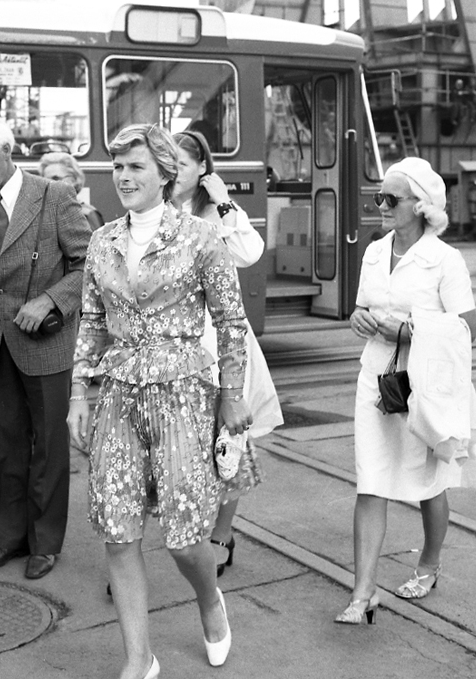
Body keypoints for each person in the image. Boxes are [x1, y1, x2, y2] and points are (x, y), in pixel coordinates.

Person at [67, 124, 251, 678]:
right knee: (118, 531)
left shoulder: (200, 237)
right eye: (117, 167)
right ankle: (138, 659)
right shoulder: (102, 240)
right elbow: (92, 321)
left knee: (184, 536)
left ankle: (209, 600)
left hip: (183, 394)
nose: (123, 177)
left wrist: (232, 395)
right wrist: (78, 392)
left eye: (135, 167)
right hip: (119, 393)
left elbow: (231, 322)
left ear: (165, 173)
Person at [335, 157, 476, 626]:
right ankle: (363, 592)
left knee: (428, 483)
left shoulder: (445, 259)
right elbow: (363, 307)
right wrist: (359, 319)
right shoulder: (374, 252)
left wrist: (409, 331)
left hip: (426, 385)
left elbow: (468, 328)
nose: (379, 204)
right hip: (377, 380)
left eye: (389, 198)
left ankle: (429, 564)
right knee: (371, 481)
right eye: (377, 196)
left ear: (420, 206)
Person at [0, 117, 91, 581]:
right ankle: (7, 538)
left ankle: (45, 542)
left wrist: (50, 299)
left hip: (46, 344)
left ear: (7, 152)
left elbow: (89, 264)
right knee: (7, 446)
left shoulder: (53, 196)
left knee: (49, 447)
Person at [173, 130, 282, 577]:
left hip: (219, 345)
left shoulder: (214, 213)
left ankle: (221, 535)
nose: (173, 171)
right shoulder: (158, 209)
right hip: (175, 345)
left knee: (227, 444)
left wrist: (223, 200)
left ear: (202, 168)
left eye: (182, 163)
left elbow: (250, 252)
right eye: (168, 162)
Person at [38, 151, 104, 231]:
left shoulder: (86, 215)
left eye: (55, 179)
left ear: (73, 180)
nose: (49, 185)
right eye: (45, 181)